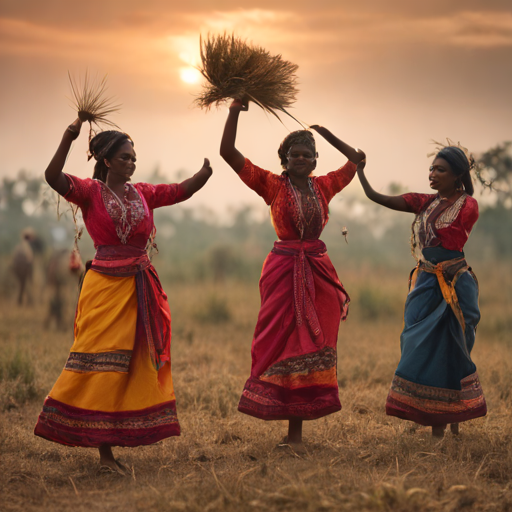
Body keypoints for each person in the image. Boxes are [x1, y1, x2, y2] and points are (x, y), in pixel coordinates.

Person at [34, 118, 213, 473]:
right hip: (103, 287)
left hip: (138, 288)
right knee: (102, 363)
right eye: (125, 157)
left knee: (131, 365)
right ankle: (103, 452)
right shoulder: (89, 192)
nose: (132, 163)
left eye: (134, 157)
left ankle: (114, 440)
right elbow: (52, 177)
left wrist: (202, 176)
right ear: (106, 160)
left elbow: (178, 191)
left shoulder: (142, 193)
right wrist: (68, 138)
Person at [220, 99, 365, 447]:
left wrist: (327, 134)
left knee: (311, 344)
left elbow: (357, 160)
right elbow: (228, 152)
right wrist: (234, 112)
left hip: (317, 269)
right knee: (280, 341)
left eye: (307, 155)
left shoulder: (325, 186)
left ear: (316, 160)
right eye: (294, 154)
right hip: (283, 269)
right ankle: (285, 423)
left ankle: (296, 432)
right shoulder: (271, 185)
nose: (300, 159)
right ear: (284, 159)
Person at [356, 145, 487, 437]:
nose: (433, 173)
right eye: (431, 168)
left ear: (457, 175)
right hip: (425, 283)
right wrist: (360, 171)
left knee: (450, 347)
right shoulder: (424, 202)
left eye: (440, 169)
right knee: (415, 343)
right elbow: (376, 197)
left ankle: (444, 421)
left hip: (453, 283)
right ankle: (423, 411)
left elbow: (453, 239)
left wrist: (465, 185)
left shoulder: (468, 205)